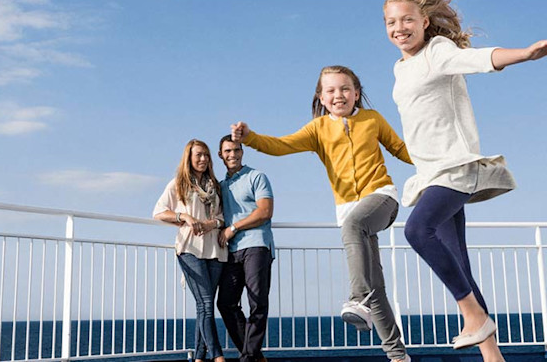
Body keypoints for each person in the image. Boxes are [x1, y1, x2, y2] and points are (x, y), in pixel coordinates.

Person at [383, 0, 547, 361]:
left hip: (456, 167)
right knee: (458, 261)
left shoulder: (438, 51)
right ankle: (492, 355)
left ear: (424, 22)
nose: (400, 28)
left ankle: (472, 315)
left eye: (407, 20)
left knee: (417, 230)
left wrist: (525, 54)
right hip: (430, 172)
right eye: (391, 22)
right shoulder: (400, 68)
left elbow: (478, 59)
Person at [232, 65, 412, 362]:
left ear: (356, 93)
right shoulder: (317, 129)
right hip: (350, 213)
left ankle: (356, 299)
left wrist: (436, 157)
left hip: (382, 198)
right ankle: (398, 356)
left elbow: (401, 150)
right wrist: (250, 137)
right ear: (321, 97)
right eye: (330, 90)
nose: (338, 94)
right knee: (375, 287)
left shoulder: (372, 119)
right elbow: (281, 145)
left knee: (355, 233)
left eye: (344, 88)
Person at [152, 139, 228, 362]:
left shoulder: (215, 185)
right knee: (205, 303)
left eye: (206, 155)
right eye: (198, 155)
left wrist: (211, 224)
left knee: (204, 306)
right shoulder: (179, 183)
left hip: (215, 249)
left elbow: (223, 217)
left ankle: (199, 356)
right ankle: (218, 356)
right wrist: (183, 216)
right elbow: (158, 212)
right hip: (190, 249)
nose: (203, 159)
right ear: (189, 157)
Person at [216, 134, 275, 362]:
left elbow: (265, 212)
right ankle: (254, 355)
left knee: (257, 301)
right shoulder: (221, 186)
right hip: (232, 251)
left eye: (236, 150)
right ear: (221, 155)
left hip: (257, 245)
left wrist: (234, 227)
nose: (233, 155)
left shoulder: (257, 177)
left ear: (242, 152)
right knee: (226, 303)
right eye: (228, 151)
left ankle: (248, 357)